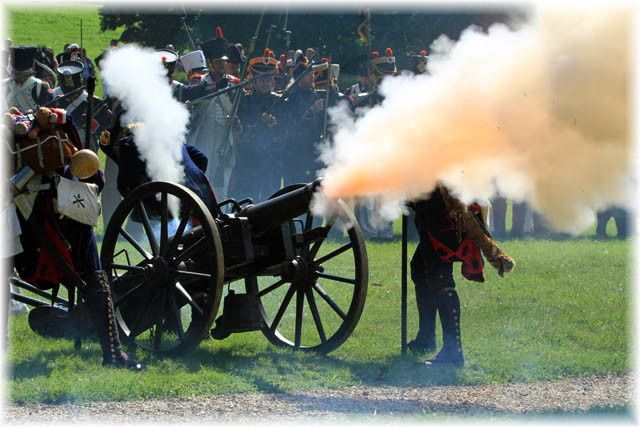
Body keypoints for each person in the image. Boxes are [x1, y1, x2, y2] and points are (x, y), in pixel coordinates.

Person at [8, 107, 143, 370]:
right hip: (57, 205)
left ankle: (113, 353)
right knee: (94, 277)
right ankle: (113, 354)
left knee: (95, 278)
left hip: (48, 207)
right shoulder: (59, 130)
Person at [408, 185, 515, 367]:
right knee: (420, 268)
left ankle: (453, 351)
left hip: (444, 210)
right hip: (432, 205)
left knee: (439, 277)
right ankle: (426, 337)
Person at [186, 26, 241, 200]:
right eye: (218, 62)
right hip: (203, 138)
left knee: (222, 187)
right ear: (209, 63)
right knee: (202, 183)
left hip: (224, 142)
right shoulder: (199, 83)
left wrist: (235, 123)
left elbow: (238, 118)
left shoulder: (232, 85)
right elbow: (193, 106)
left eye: (224, 62)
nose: (223, 66)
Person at [228, 48, 283, 202]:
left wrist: (274, 125)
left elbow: (285, 132)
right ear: (254, 81)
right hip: (248, 161)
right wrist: (257, 123)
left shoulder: (278, 101)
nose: (266, 84)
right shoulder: (244, 100)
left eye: (269, 80)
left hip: (270, 163)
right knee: (245, 201)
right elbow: (241, 130)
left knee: (270, 203)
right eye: (262, 80)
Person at [280, 53, 324, 185]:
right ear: (299, 78)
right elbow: (293, 127)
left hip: (313, 153)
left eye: (311, 73)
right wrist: (311, 112)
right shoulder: (291, 98)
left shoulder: (315, 96)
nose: (312, 76)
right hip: (296, 155)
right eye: (308, 74)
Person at [51, 60, 112, 151]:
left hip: (85, 149)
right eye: (67, 93)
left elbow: (106, 126)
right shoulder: (52, 97)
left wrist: (94, 125)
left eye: (74, 93)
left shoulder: (94, 102)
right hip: (58, 147)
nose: (71, 97)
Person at [4, 45, 53, 112]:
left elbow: (46, 111)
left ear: (28, 73)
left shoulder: (39, 86)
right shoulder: (5, 85)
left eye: (22, 74)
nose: (19, 77)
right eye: (17, 74)